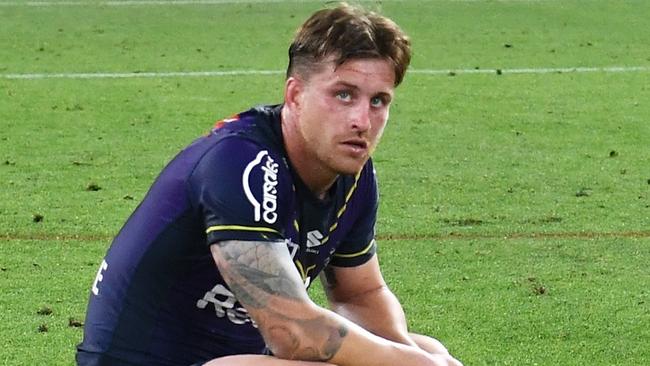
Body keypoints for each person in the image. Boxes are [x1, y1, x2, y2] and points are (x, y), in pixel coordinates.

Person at [76, 3, 463, 366]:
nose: (362, 120)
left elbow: (360, 294)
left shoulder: (352, 174)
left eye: (379, 101)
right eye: (343, 95)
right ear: (295, 95)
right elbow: (290, 332)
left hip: (235, 357)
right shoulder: (243, 164)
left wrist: (413, 354)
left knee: (430, 349)